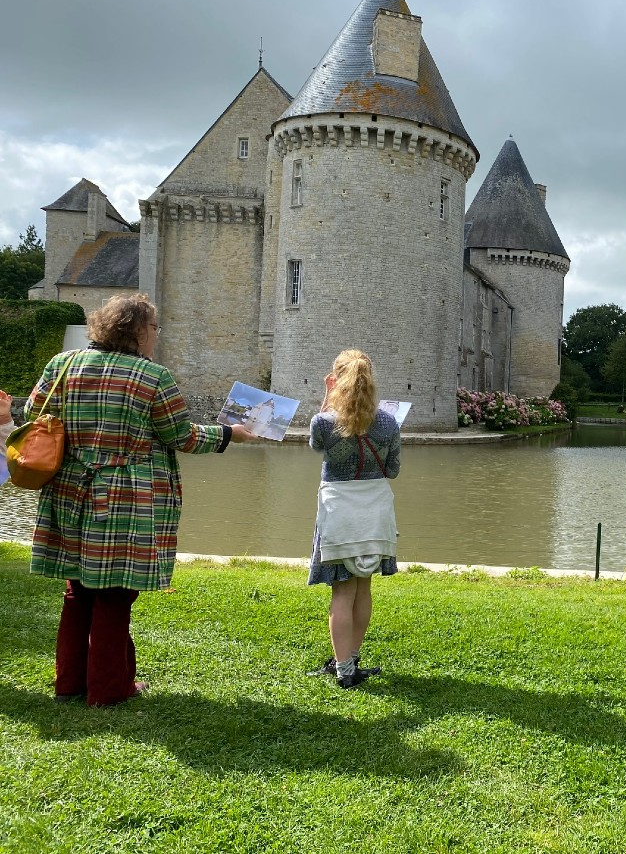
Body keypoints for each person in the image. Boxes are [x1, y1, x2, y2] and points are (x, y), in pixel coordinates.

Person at [13, 293, 251, 706]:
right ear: (138, 331)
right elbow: (183, 436)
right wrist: (231, 433)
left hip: (68, 490)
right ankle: (108, 690)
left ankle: (69, 684)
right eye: (154, 327)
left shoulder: (62, 363)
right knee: (114, 592)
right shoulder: (152, 377)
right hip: (123, 497)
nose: (156, 335)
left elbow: (31, 416)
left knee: (78, 589)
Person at [307, 350, 401, 689]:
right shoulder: (389, 423)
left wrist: (327, 397)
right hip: (374, 512)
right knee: (363, 587)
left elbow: (316, 448)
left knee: (341, 593)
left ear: (335, 380)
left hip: (340, 513)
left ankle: (344, 671)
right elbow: (392, 470)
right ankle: (351, 659)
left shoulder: (324, 423)